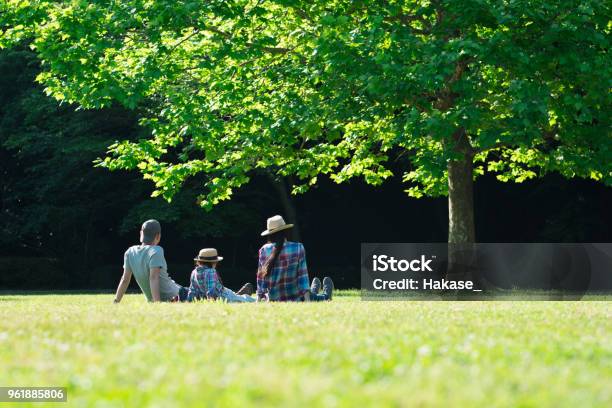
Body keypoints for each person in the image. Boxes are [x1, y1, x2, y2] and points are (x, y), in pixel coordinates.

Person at [256, 215, 333, 302]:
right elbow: (302, 276)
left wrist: (258, 300)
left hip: (274, 300)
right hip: (295, 298)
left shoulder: (264, 250)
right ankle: (326, 296)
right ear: (285, 231)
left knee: (311, 295)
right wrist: (308, 301)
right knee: (315, 297)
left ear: (270, 234)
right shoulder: (298, 247)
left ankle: (313, 291)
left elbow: (261, 279)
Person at [113, 220, 188, 303]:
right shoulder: (156, 250)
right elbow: (153, 277)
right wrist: (157, 303)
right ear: (158, 236)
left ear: (141, 233)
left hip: (177, 292)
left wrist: (116, 301)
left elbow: (125, 279)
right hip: (177, 295)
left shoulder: (130, 252)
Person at [187, 248, 255, 303]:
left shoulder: (194, 272)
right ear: (214, 262)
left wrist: (189, 301)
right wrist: (211, 301)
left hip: (222, 291)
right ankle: (258, 299)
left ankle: (238, 295)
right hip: (223, 296)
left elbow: (192, 290)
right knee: (244, 299)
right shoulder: (210, 271)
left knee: (235, 296)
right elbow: (211, 289)